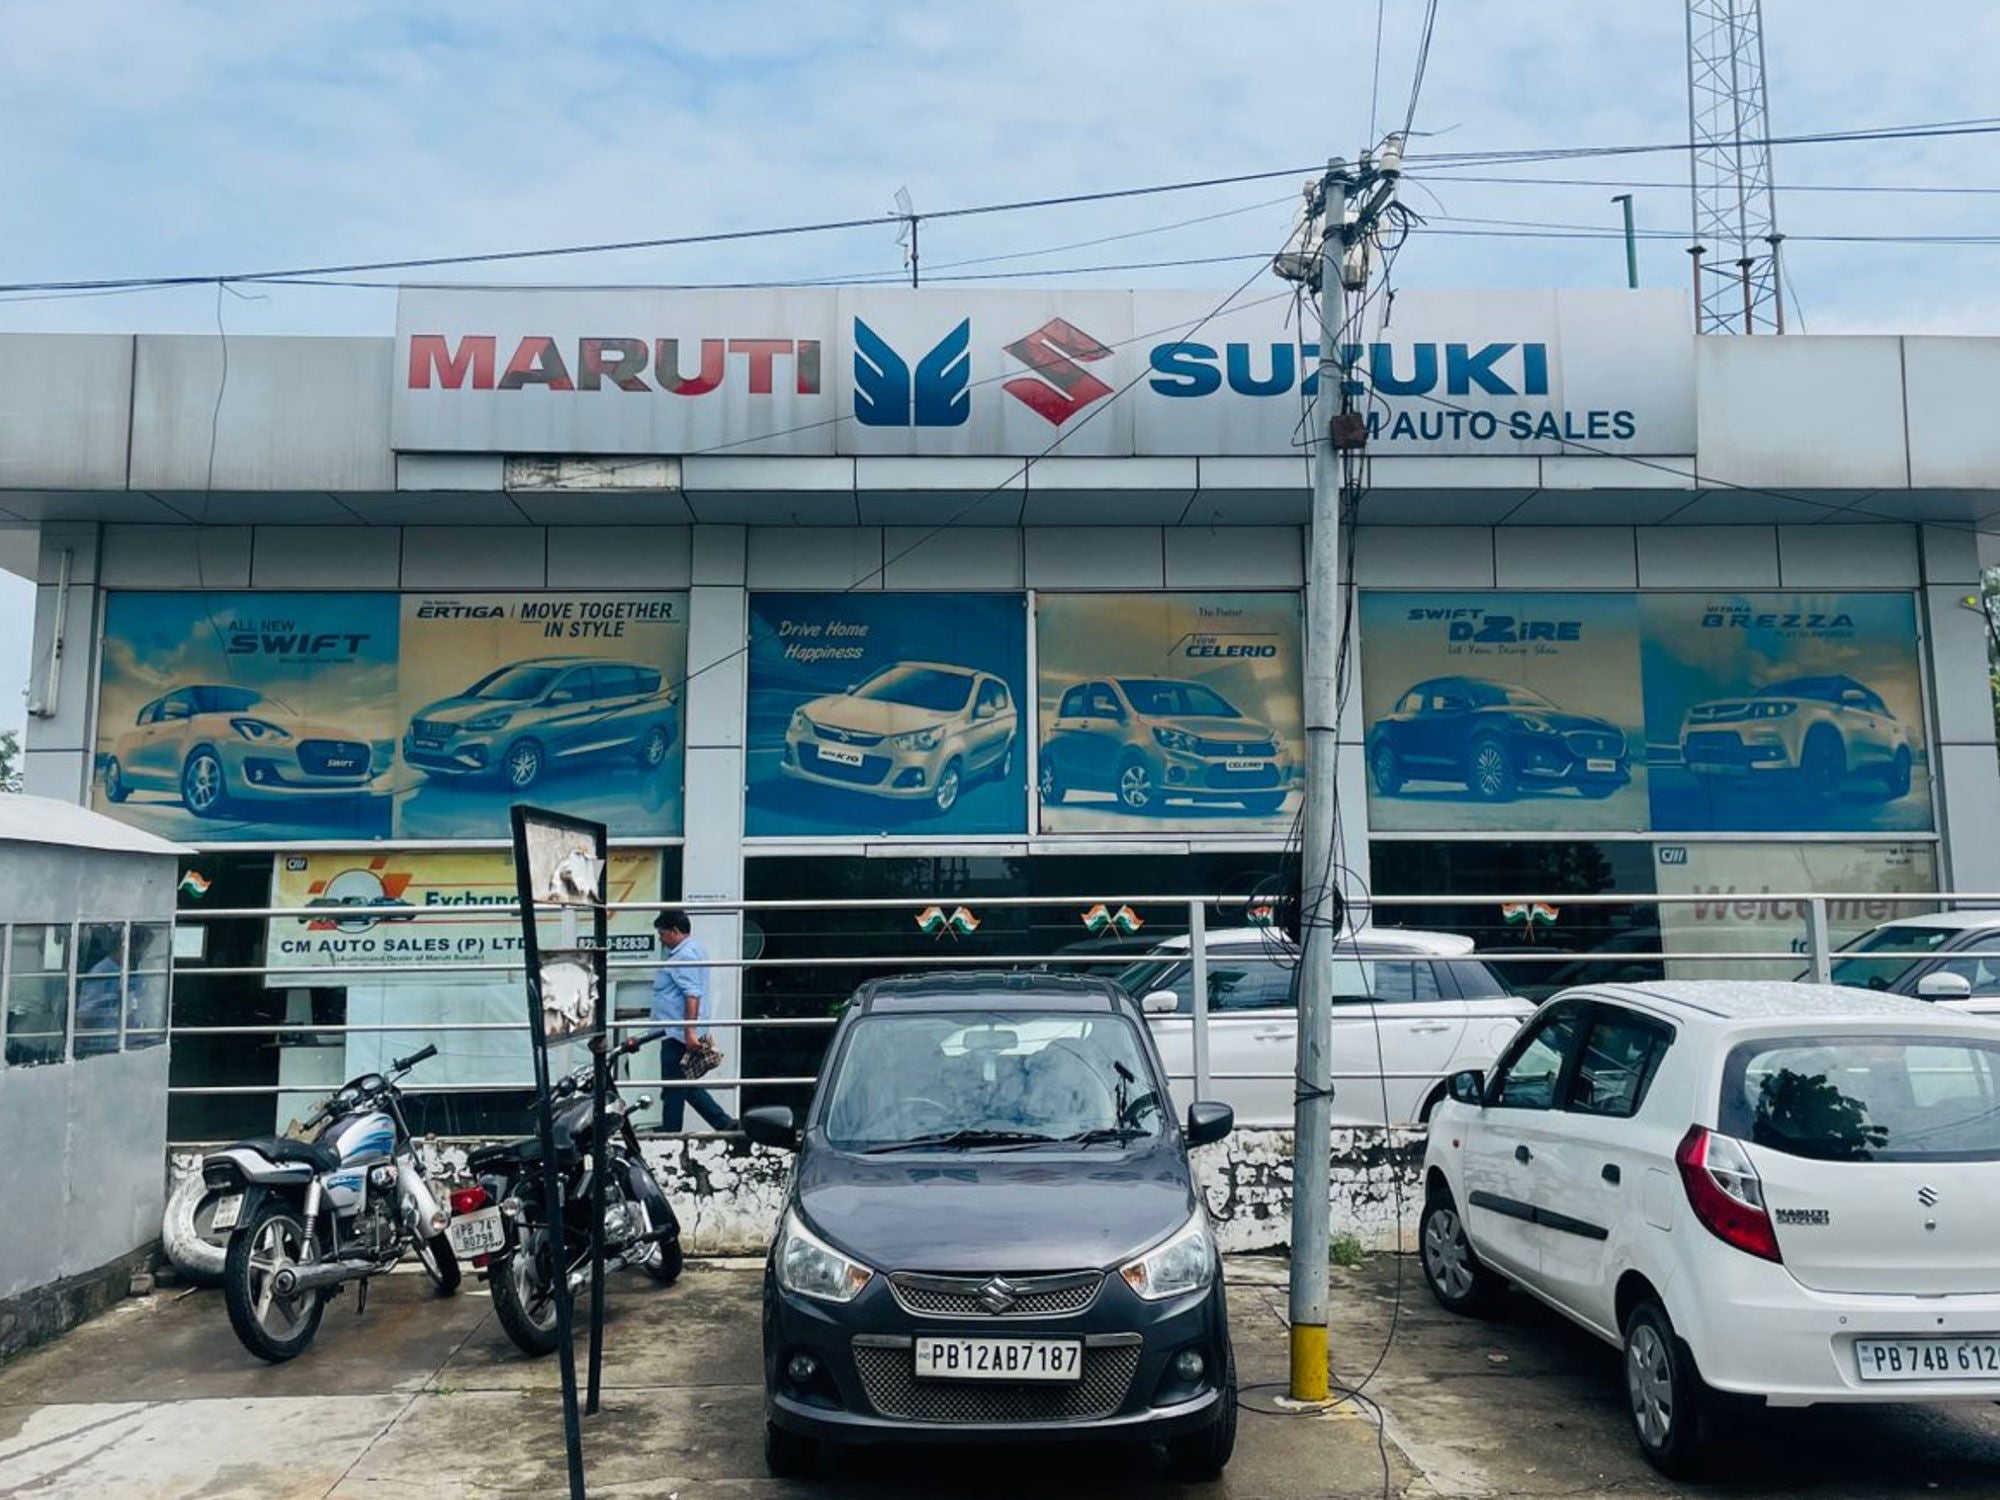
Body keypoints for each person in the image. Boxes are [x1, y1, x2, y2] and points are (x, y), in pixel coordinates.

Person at [651, 908, 735, 1132]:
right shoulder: (693, 949)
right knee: (681, 1083)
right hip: (677, 1030)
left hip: (678, 1032)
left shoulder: (684, 955)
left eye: (662, 934)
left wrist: (689, 1031)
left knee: (675, 1082)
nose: (661, 939)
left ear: (675, 931)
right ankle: (722, 1122)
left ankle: (672, 1130)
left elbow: (692, 995)